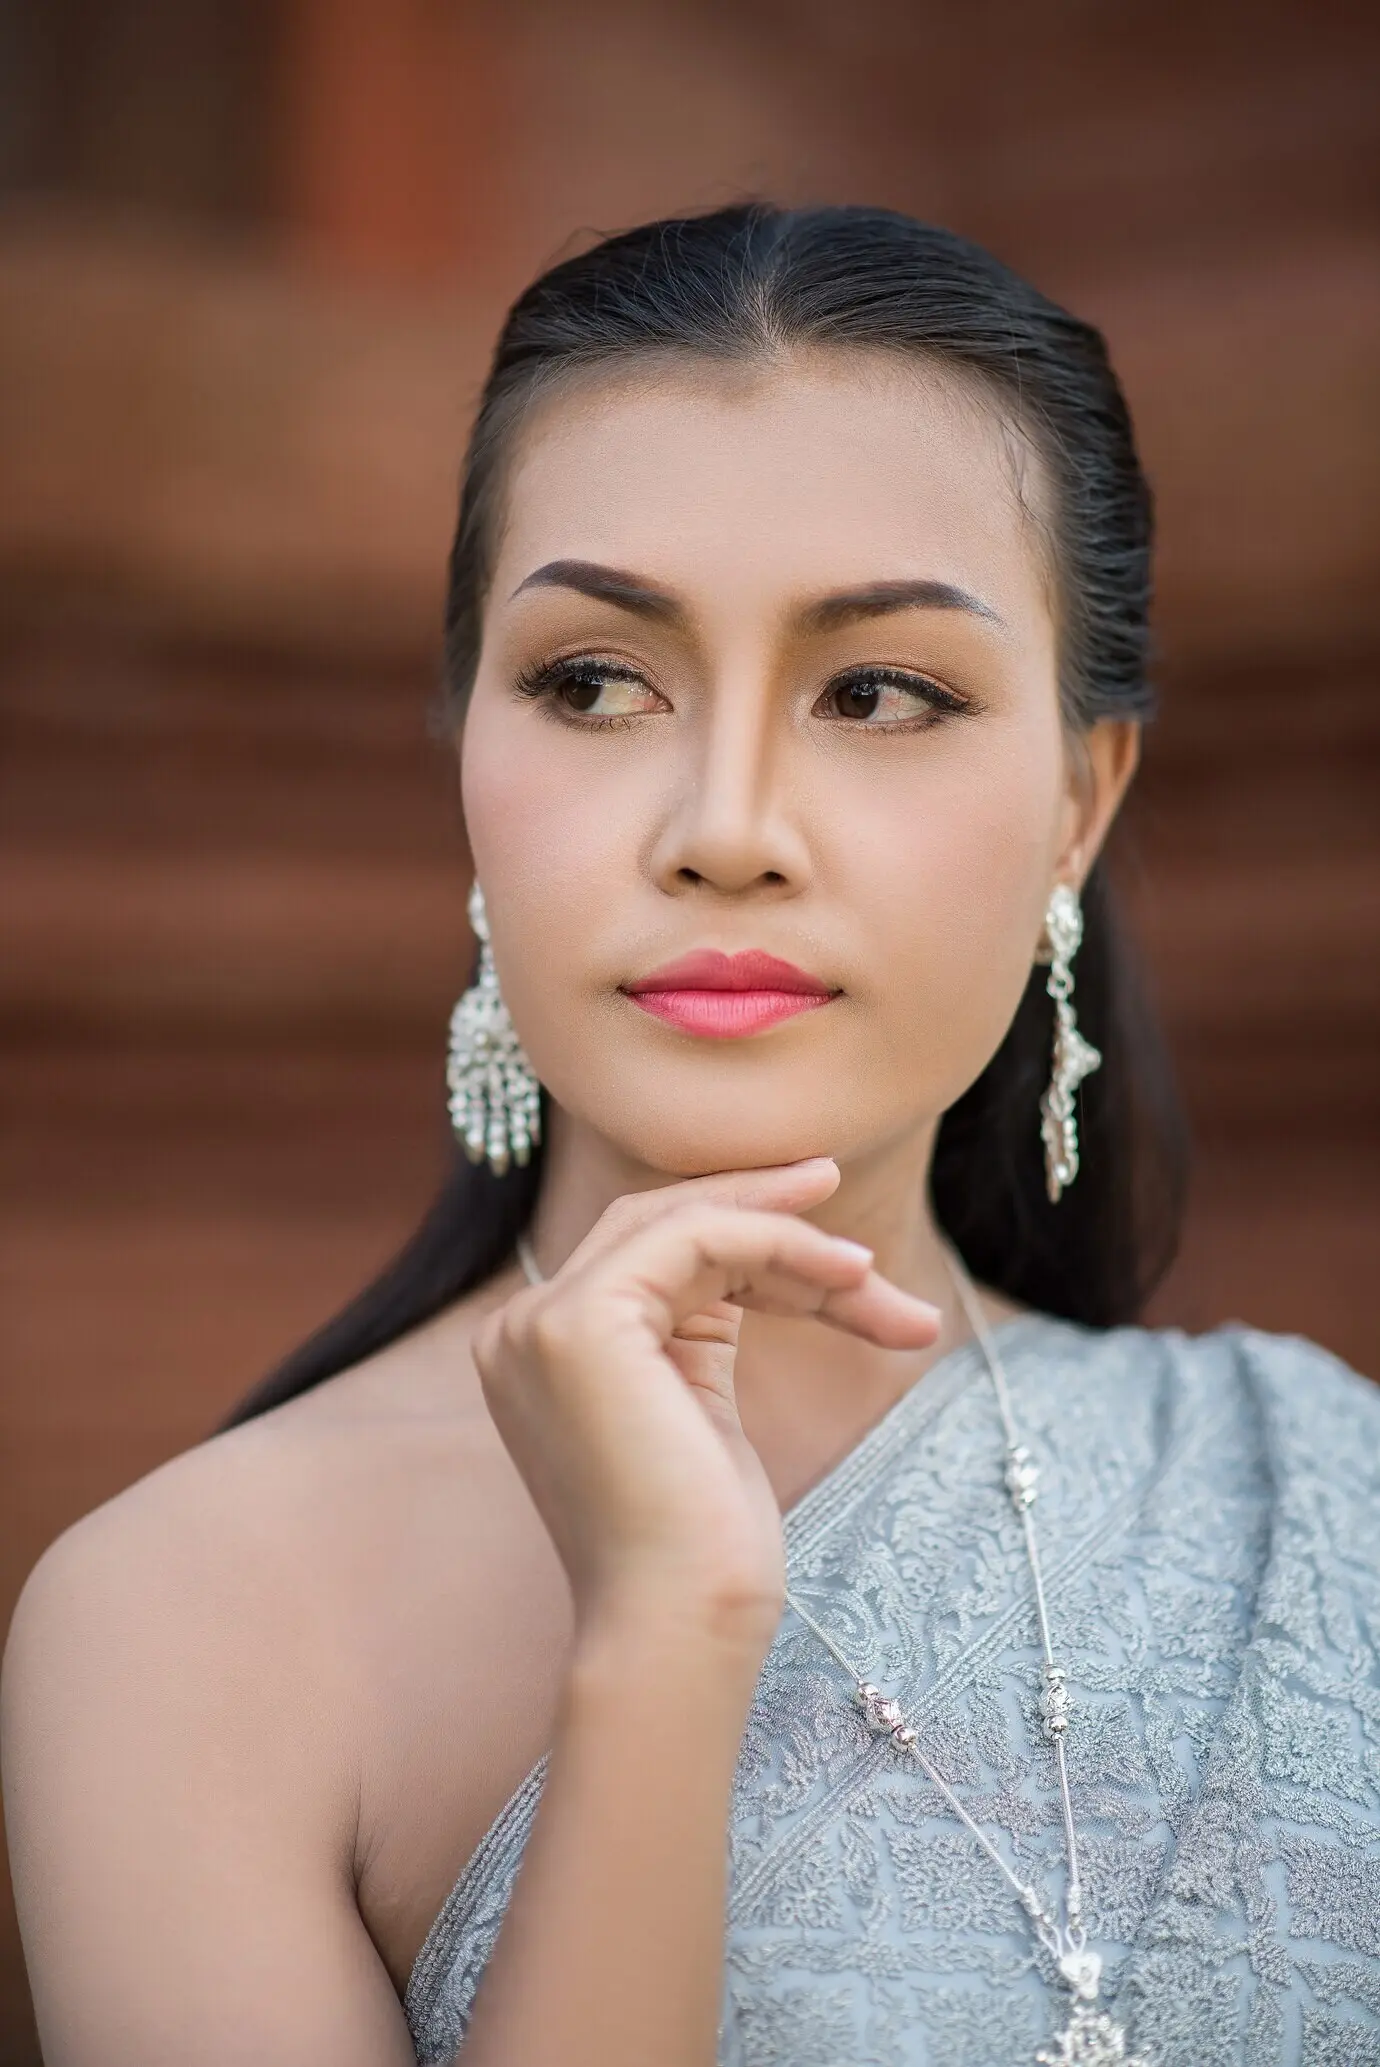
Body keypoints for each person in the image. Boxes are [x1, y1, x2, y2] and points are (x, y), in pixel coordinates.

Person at [3, 203, 1378, 2067]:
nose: (725, 828)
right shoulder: (190, 1622)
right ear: (466, 758)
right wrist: (660, 1640)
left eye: (879, 692)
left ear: (1080, 795)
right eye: (594, 682)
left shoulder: (1324, 1497)